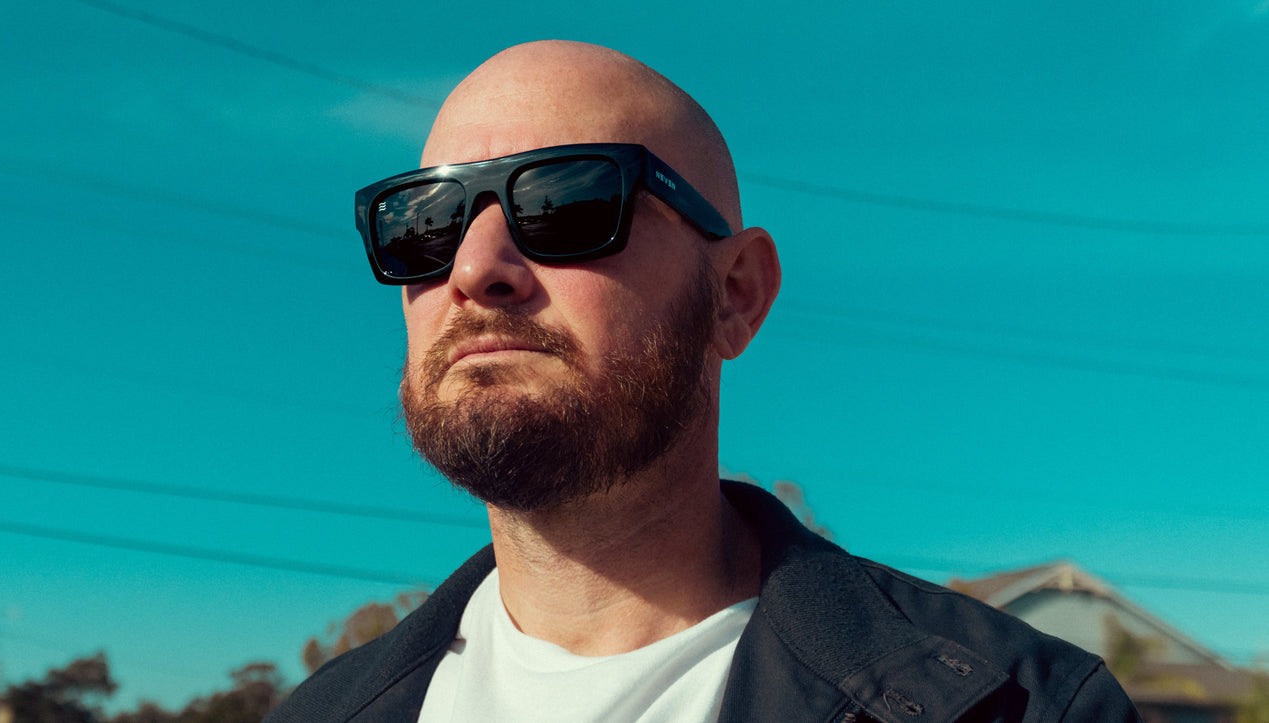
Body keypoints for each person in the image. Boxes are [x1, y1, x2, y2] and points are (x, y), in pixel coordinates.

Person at [267, 41, 1141, 723]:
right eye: (422, 223)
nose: (474, 267)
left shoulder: (1023, 706)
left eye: (565, 202)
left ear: (735, 294)